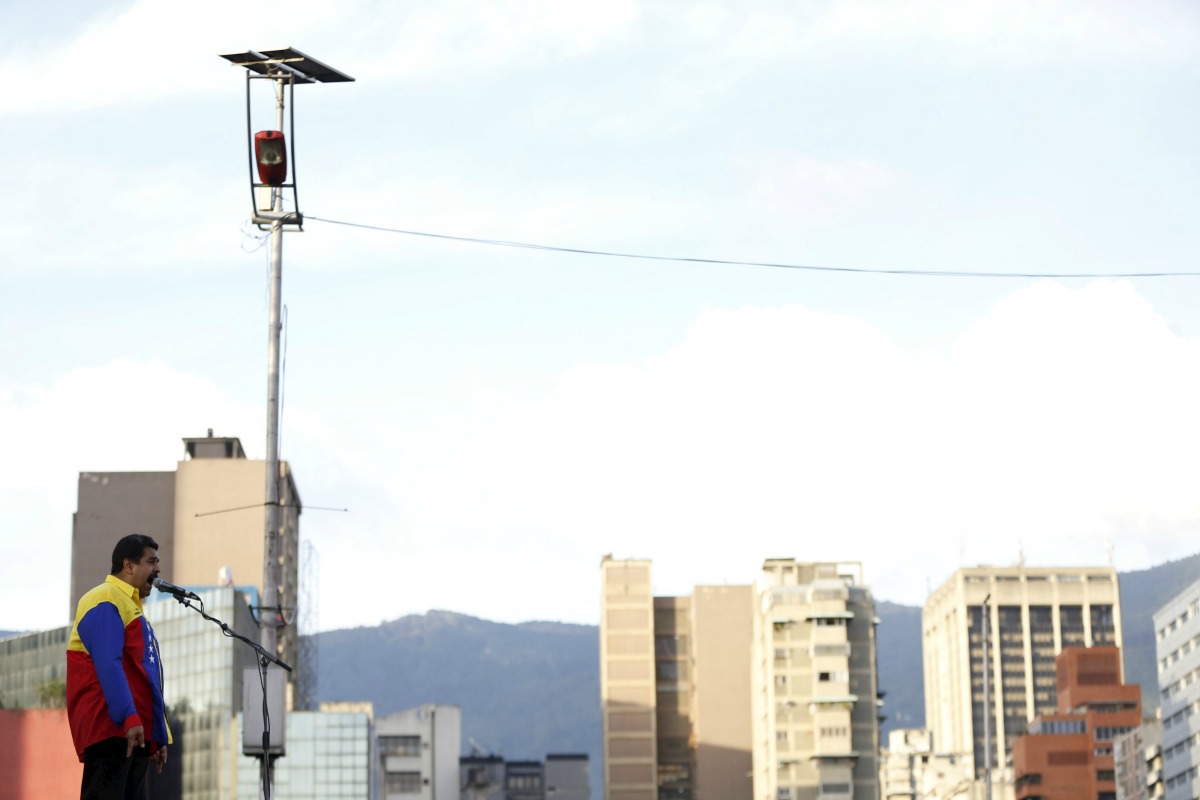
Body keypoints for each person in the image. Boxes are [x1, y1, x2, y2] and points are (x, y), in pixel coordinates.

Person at [67, 534, 172, 799]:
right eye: (151, 562)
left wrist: (157, 733)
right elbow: (108, 663)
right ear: (129, 566)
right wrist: (129, 717)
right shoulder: (104, 598)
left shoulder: (132, 608)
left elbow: (145, 677)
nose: (158, 570)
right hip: (111, 730)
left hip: (132, 732)